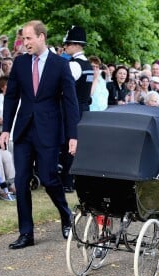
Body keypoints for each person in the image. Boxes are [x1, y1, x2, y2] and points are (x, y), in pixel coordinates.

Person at [0, 20, 80, 250]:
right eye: (23, 39)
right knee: (22, 180)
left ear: (41, 37)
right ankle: (26, 233)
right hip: (24, 131)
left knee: (48, 177)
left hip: (49, 131)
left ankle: (66, 216)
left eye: (28, 38)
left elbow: (70, 102)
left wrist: (73, 135)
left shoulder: (59, 64)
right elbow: (12, 97)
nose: (25, 43)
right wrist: (6, 128)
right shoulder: (21, 63)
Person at [60, 25, 93, 193]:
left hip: (73, 110)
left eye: (67, 44)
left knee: (69, 145)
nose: (65, 47)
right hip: (84, 108)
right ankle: (74, 179)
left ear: (75, 45)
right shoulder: (88, 65)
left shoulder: (74, 65)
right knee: (78, 145)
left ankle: (67, 181)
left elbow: (64, 88)